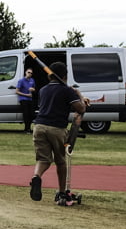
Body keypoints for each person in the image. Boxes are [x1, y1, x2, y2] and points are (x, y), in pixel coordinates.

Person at [29, 62, 87, 204]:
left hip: (39, 126)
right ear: (64, 76)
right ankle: (62, 192)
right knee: (61, 162)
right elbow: (81, 109)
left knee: (43, 159)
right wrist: (79, 95)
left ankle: (37, 176)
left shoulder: (43, 90)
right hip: (56, 128)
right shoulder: (67, 90)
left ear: (50, 76)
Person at [15, 67, 36, 133]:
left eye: (31, 73)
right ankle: (26, 129)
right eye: (28, 72)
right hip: (23, 99)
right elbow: (17, 91)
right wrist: (26, 95)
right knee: (26, 114)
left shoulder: (32, 80)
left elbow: (34, 88)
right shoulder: (21, 81)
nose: (30, 74)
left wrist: (33, 90)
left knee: (32, 114)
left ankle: (29, 128)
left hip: (30, 99)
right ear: (25, 73)